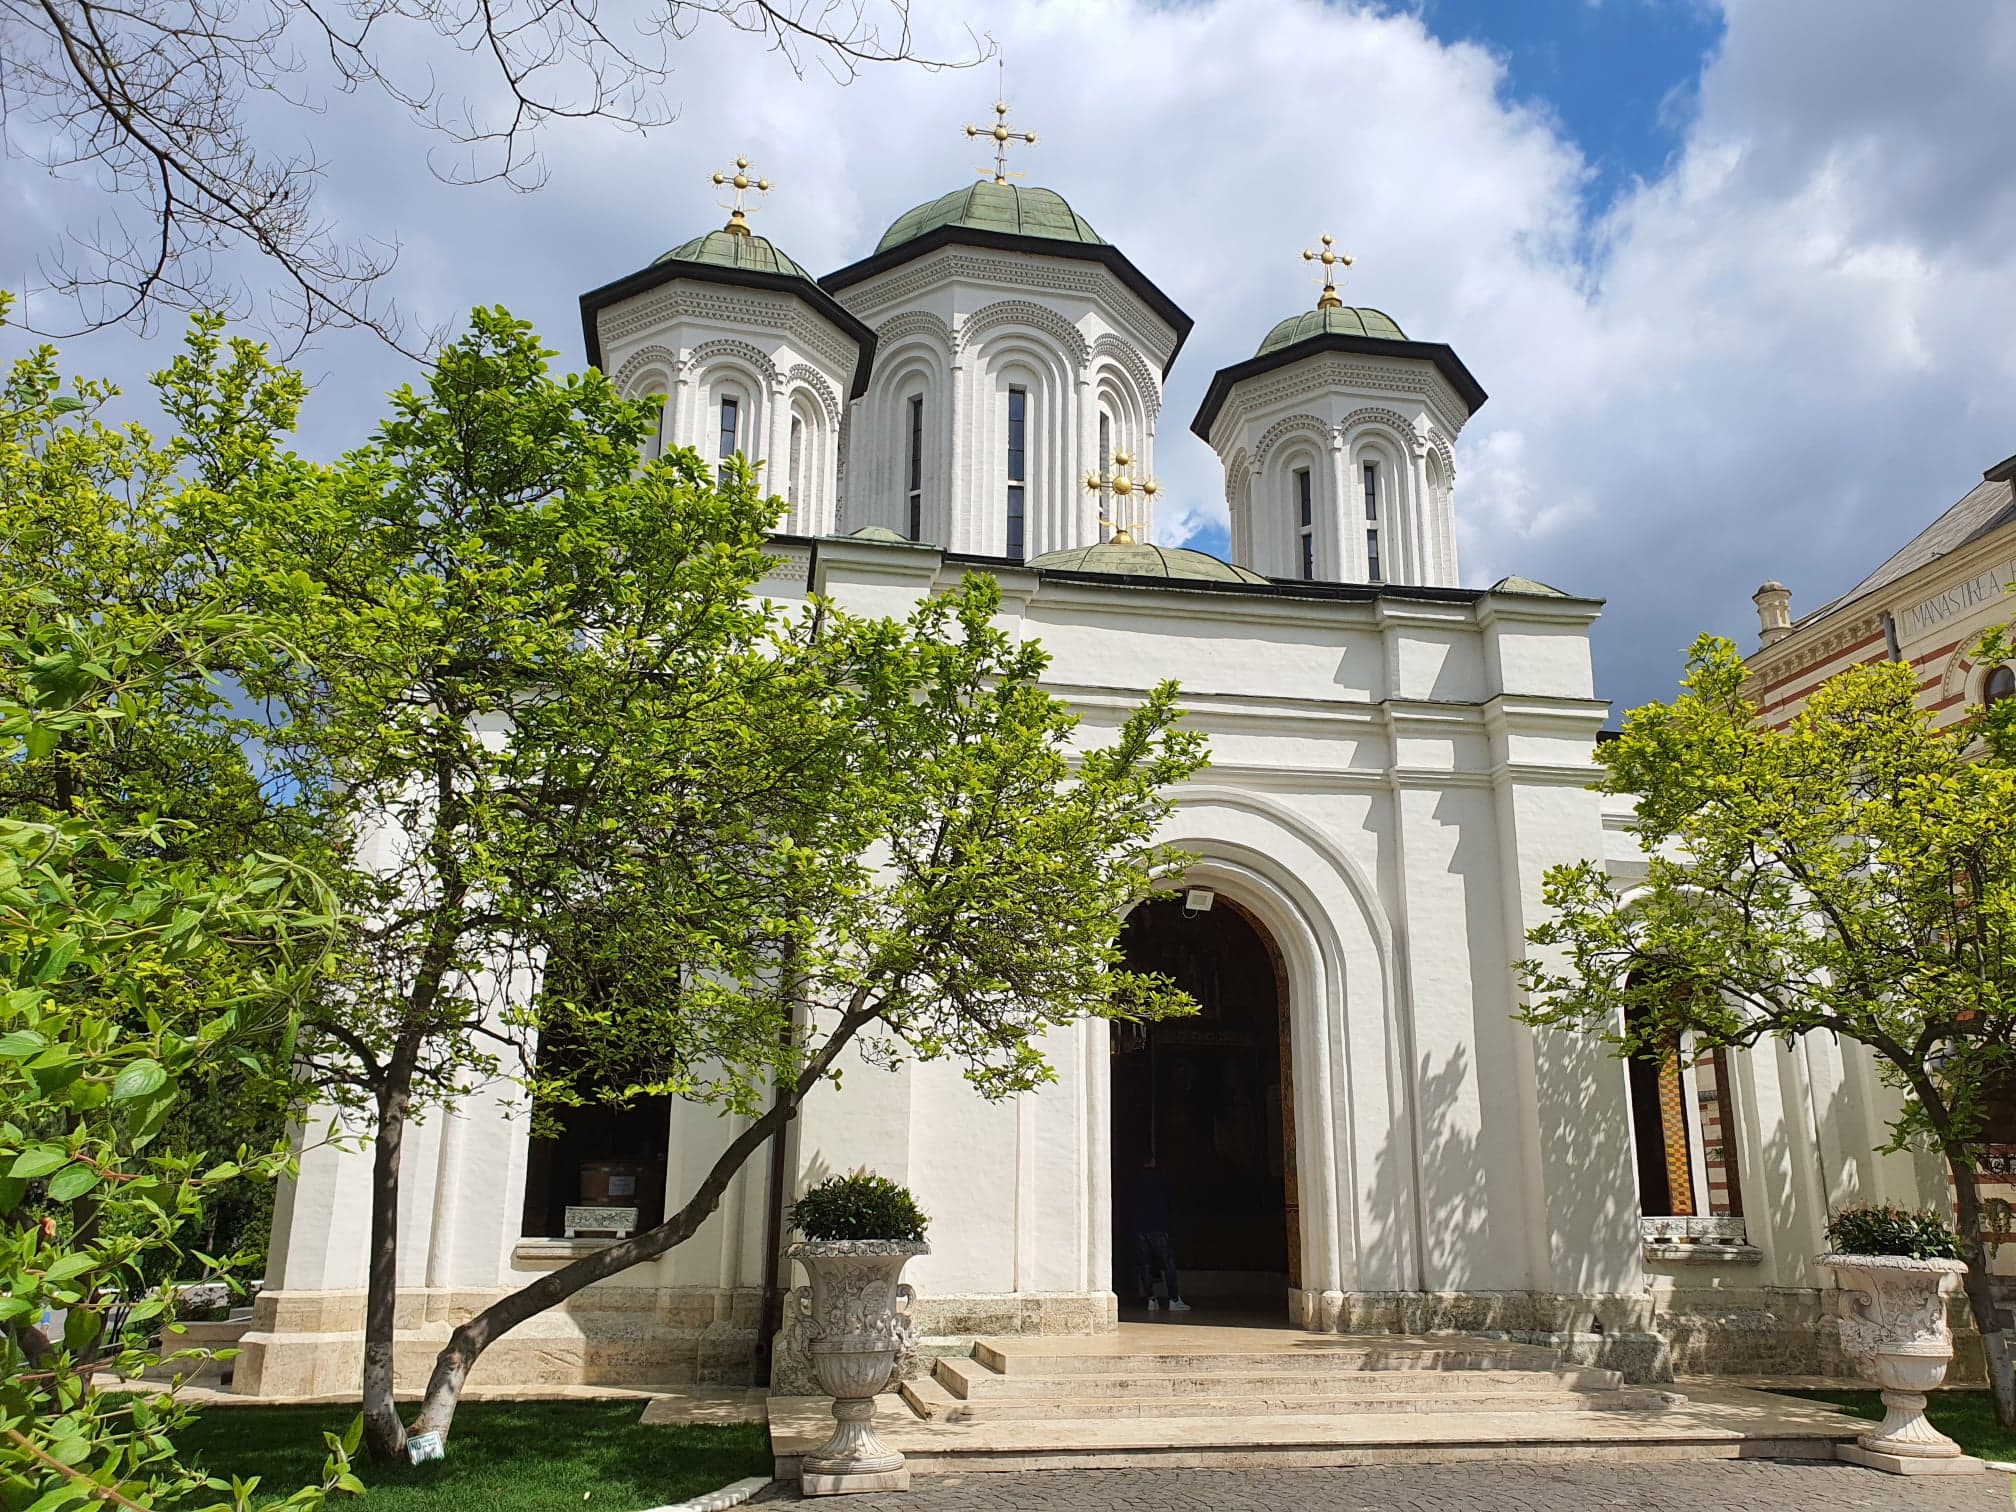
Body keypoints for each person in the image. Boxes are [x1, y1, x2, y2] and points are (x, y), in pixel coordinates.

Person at [1123, 1153, 1189, 1312]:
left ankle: (1151, 1300)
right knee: (1168, 1262)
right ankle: (1174, 1299)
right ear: (1153, 1161)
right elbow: (1169, 1202)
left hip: (1139, 1228)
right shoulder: (1160, 1179)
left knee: (1145, 1265)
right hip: (1158, 1226)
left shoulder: (1133, 1181)